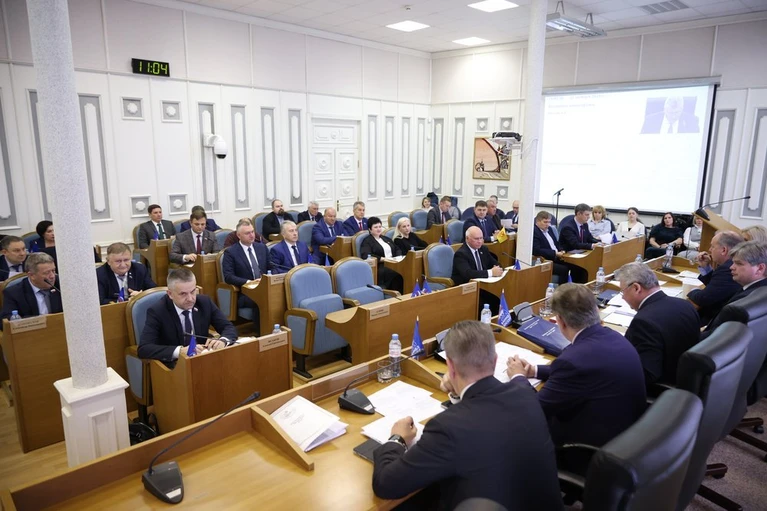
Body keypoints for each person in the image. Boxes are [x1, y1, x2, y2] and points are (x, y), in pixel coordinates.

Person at [372, 321, 562, 511]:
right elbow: (486, 418)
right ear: (495, 360)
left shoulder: (446, 427)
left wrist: (397, 439)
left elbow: (386, 485)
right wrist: (457, 393)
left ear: (450, 366)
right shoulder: (525, 393)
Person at [506, 283, 646, 449]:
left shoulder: (572, 361)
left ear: (560, 321)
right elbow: (586, 369)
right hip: (627, 434)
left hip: (588, 448)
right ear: (595, 310)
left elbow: (534, 410)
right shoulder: (613, 336)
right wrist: (535, 370)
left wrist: (518, 377)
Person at [614, 262, 700, 388]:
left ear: (636, 288)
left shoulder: (643, 322)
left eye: (623, 292)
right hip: (688, 379)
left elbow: (647, 373)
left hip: (664, 388)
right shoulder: (685, 305)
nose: (623, 298)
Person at [137, 268, 236, 361]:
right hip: (175, 365)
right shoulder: (158, 311)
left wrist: (223, 341)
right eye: (183, 294)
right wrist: (179, 351)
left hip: (202, 358)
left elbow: (228, 327)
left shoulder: (204, 302)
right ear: (170, 294)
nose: (190, 298)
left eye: (192, 292)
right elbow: (144, 348)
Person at [703, 240, 767, 336]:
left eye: (739, 263)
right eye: (733, 263)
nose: (731, 267)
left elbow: (718, 337)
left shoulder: (744, 300)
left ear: (760, 268)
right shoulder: (758, 290)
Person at [221, 219, 270, 334]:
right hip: (245, 292)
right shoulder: (231, 252)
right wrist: (249, 282)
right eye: (247, 233)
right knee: (262, 299)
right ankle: (262, 334)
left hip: (264, 286)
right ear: (238, 235)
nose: (252, 235)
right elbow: (228, 276)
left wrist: (267, 278)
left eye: (252, 232)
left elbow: (271, 266)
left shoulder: (262, 248)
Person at [688, 230, 744, 326]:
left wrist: (693, 290)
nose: (710, 250)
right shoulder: (728, 265)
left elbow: (703, 298)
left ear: (724, 250)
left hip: (713, 321)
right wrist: (706, 267)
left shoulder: (728, 268)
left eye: (713, 246)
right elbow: (716, 286)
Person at [1, 253, 62, 329]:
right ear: (31, 275)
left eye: (53, 270)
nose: (52, 276)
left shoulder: (61, 285)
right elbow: (6, 320)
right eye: (46, 273)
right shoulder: (14, 293)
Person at [452, 226, 502, 314]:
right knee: (486, 304)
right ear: (467, 239)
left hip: (482, 286)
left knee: (497, 300)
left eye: (481, 238)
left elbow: (495, 263)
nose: (479, 241)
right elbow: (468, 274)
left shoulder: (483, 249)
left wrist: (498, 268)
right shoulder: (461, 254)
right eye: (476, 239)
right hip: (467, 288)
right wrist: (491, 272)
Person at [532, 211, 586, 283]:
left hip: (557, 257)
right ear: (538, 221)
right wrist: (555, 253)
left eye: (549, 222)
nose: (547, 224)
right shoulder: (534, 231)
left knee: (579, 267)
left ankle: (577, 287)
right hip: (546, 260)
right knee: (564, 269)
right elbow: (536, 250)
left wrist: (561, 250)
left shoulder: (550, 229)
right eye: (545, 222)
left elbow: (556, 243)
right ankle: (562, 289)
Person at [360, 217, 403, 293]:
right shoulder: (367, 241)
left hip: (394, 262)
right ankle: (397, 294)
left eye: (380, 226)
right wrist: (382, 259)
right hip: (381, 266)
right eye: (376, 227)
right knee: (396, 273)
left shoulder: (385, 238)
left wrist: (397, 257)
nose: (378, 229)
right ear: (370, 229)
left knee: (405, 269)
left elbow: (397, 249)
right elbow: (366, 255)